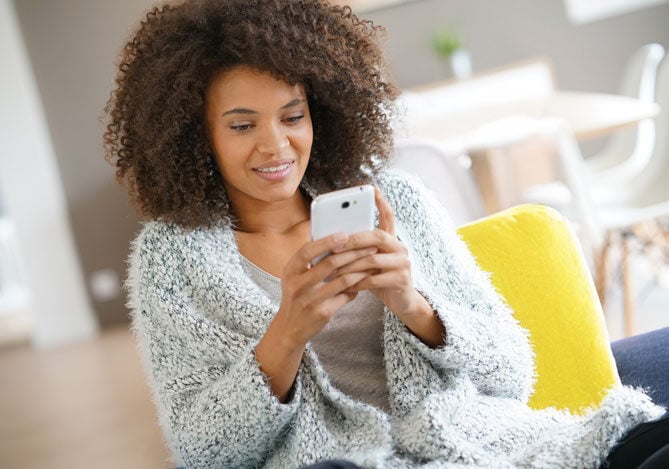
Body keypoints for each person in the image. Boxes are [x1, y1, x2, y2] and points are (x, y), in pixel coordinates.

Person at [103, 0, 667, 468]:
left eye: (292, 116)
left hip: (482, 444)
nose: (275, 145)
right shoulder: (171, 261)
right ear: (195, 135)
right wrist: (287, 332)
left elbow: (513, 373)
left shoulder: (397, 201)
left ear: (320, 112)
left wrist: (413, 303)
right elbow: (205, 452)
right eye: (243, 125)